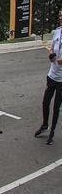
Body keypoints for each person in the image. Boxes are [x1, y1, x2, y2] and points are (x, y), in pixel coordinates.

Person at [36, 9, 62, 145]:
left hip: (61, 80)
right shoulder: (57, 31)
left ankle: (52, 132)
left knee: (56, 107)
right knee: (46, 102)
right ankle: (45, 124)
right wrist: (51, 54)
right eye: (60, 16)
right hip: (52, 75)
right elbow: (51, 47)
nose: (61, 18)